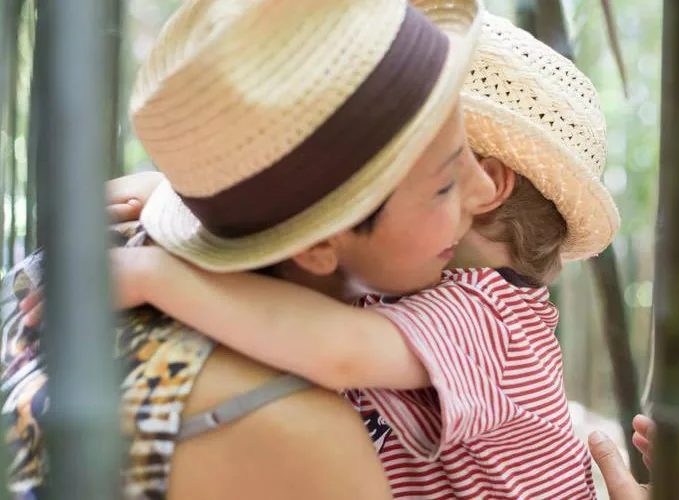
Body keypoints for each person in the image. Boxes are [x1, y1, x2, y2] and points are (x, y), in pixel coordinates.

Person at [52, 13, 619, 499]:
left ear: (484, 184)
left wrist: (159, 277)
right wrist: (196, 200)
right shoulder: (417, 286)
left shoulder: (492, 321)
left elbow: (338, 350)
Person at [0, 0, 490, 498]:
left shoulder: (97, 256)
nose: (487, 191)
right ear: (319, 244)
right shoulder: (295, 434)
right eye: (445, 183)